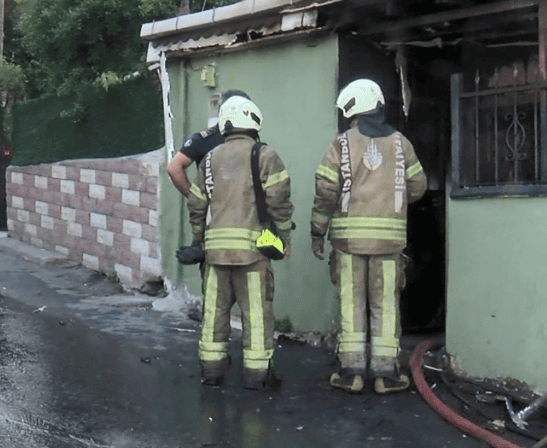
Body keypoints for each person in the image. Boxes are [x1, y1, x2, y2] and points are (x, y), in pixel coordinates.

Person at [310, 78, 427, 395]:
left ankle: (352, 374)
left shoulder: (340, 144)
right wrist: (393, 200)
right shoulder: (402, 143)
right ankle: (385, 375)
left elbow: (325, 193)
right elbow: (418, 187)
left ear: (353, 108)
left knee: (351, 304)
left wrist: (317, 233)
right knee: (385, 306)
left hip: (348, 245)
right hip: (389, 244)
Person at [190, 94, 294, 390]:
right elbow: (279, 203)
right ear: (254, 122)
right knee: (257, 316)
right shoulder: (265, 154)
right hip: (252, 254)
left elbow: (197, 204)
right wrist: (284, 238)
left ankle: (211, 371)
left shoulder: (209, 158)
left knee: (213, 314)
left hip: (214, 254)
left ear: (226, 123)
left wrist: (199, 241)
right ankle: (257, 376)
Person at [168, 91, 252, 265]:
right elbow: (174, 168)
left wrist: (197, 198)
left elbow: (174, 167)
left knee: (216, 275)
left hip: (216, 222)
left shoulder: (206, 138)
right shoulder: (250, 143)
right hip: (244, 220)